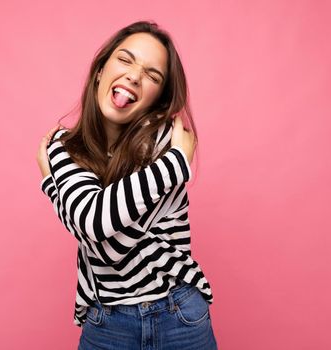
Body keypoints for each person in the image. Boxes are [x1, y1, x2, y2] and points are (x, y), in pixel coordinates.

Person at [36, 20, 217, 349]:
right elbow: (94, 225)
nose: (135, 76)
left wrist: (52, 183)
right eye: (125, 60)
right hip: (106, 323)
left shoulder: (166, 142)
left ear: (158, 99)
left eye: (152, 75)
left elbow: (110, 247)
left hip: (180, 316)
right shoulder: (64, 145)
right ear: (100, 70)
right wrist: (176, 165)